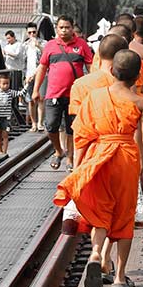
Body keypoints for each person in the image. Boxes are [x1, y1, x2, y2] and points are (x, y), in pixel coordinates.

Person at [53, 49, 143, 287]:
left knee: (101, 213)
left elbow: (81, 134)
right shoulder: (140, 101)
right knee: (124, 216)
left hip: (99, 156)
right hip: (126, 158)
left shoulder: (95, 97)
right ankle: (120, 277)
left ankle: (97, 254)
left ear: (112, 71)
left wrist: (78, 168)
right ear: (137, 77)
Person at [31, 15, 94, 171]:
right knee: (51, 125)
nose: (64, 30)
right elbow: (42, 68)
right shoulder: (51, 46)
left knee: (73, 128)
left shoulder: (81, 45)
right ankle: (58, 151)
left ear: (73, 28)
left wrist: (95, 86)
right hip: (54, 94)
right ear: (56, 29)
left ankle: (70, 159)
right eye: (61, 27)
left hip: (76, 95)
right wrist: (36, 90)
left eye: (67, 27)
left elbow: (91, 66)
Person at [0, 73, 28, 154]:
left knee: (5, 135)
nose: (6, 85)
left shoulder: (10, 92)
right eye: (4, 84)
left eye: (7, 83)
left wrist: (27, 85)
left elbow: (21, 93)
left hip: (6, 118)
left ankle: (4, 151)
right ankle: (0, 151)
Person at [23, 22, 45, 132]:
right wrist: (24, 76)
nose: (32, 34)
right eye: (30, 32)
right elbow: (22, 61)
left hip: (41, 74)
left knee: (41, 98)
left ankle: (40, 123)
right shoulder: (25, 45)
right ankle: (34, 123)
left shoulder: (43, 43)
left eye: (34, 32)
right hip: (28, 75)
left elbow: (47, 55)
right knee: (30, 100)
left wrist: (39, 46)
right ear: (27, 33)